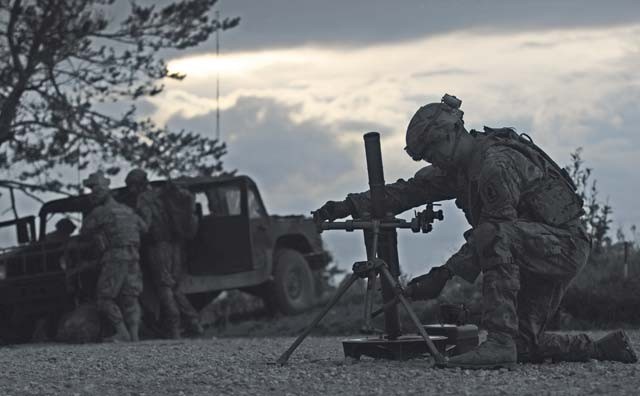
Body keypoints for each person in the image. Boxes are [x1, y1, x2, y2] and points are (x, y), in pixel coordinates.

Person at [313, 94, 637, 369]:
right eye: (426, 157)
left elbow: (494, 233)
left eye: (431, 152)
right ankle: (601, 348)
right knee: (525, 345)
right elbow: (406, 193)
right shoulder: (458, 169)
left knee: (495, 235)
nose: (432, 160)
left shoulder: (495, 165)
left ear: (452, 134)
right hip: (534, 247)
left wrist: (443, 274)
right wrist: (346, 207)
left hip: (562, 246)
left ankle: (498, 340)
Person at [125, 169, 203, 339]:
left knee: (164, 288)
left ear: (137, 185)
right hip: (177, 246)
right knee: (174, 287)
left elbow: (145, 225)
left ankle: (174, 328)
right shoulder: (162, 194)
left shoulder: (144, 199)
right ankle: (194, 322)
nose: (130, 190)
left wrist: (131, 221)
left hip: (158, 247)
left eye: (131, 186)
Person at [80, 171, 148, 342]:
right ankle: (134, 336)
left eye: (93, 190)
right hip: (134, 256)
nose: (92, 195)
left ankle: (122, 333)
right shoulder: (128, 210)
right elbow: (144, 228)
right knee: (130, 297)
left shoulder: (100, 212)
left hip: (115, 257)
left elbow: (84, 231)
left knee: (104, 298)